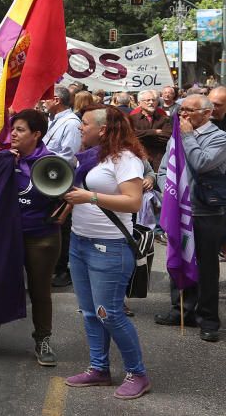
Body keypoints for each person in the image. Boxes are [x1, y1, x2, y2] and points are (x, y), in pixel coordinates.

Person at [62, 105, 150, 399]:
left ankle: (138, 374)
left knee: (109, 313)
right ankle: (98, 369)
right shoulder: (91, 158)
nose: (79, 128)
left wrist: (91, 196)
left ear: (102, 129)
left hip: (109, 247)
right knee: (90, 313)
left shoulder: (126, 159)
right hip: (80, 242)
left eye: (84, 124)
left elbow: (133, 202)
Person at [0, 109, 61, 366]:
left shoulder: (51, 163)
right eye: (13, 130)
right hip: (5, 235)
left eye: (20, 130)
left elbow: (68, 195)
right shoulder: (3, 158)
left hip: (41, 237)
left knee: (40, 291)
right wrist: (2, 162)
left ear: (36, 134)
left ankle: (42, 339)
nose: (14, 135)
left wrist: (60, 213)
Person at [154, 94, 226, 342]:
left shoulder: (219, 138)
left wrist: (187, 136)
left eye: (189, 111)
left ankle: (208, 319)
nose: (182, 115)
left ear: (207, 114)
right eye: (181, 110)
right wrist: (171, 196)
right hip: (181, 210)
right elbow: (165, 170)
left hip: (207, 211)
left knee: (206, 267)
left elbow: (202, 162)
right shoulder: (177, 136)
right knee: (179, 258)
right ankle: (181, 310)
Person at [44, 85, 82, 288]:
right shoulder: (54, 120)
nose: (43, 101)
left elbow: (69, 156)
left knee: (62, 225)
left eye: (46, 98)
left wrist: (39, 160)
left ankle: (62, 269)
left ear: (56, 100)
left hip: (60, 180)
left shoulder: (71, 123)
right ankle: (53, 265)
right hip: (49, 179)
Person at [129, 90, 171, 171]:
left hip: (159, 160)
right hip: (138, 160)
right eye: (148, 100)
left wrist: (142, 137)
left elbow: (167, 137)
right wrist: (154, 132)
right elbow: (130, 136)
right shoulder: (132, 119)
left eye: (154, 100)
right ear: (139, 103)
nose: (151, 102)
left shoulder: (164, 119)